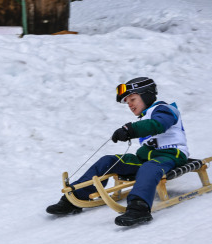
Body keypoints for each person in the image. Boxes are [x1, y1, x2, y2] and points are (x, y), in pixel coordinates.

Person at [46, 77, 189, 226]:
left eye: (132, 99)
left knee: (148, 168)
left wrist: (131, 130)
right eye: (127, 103)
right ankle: (75, 198)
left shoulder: (164, 110)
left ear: (146, 95)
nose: (130, 105)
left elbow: (158, 125)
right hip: (146, 159)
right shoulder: (145, 115)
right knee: (108, 161)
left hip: (171, 155)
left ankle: (138, 207)